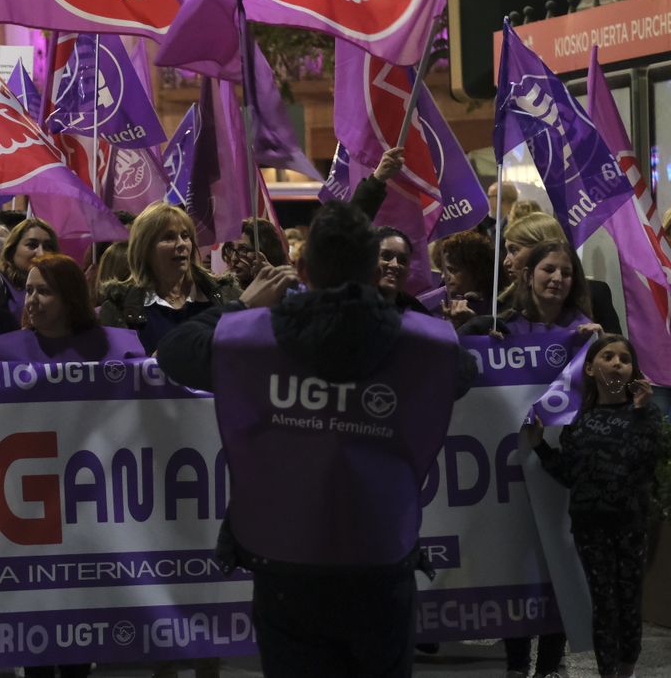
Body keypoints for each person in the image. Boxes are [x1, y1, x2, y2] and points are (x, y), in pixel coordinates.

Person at [156, 201, 477, 678]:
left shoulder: (251, 336)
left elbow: (175, 352)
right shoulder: (426, 345)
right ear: (375, 270)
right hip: (380, 556)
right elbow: (464, 372)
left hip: (285, 559)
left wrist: (244, 302)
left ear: (302, 267)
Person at [460, 239, 600, 678]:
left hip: (561, 472)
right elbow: (462, 356)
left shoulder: (586, 331)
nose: (558, 278)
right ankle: (517, 664)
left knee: (556, 560)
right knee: (517, 564)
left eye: (566, 272)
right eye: (549, 270)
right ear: (528, 275)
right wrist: (480, 331)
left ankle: (552, 664)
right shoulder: (504, 327)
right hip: (508, 472)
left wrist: (596, 350)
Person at [522, 335, 667, 678]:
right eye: (608, 356)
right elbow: (570, 474)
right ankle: (607, 673)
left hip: (630, 524)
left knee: (628, 602)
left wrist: (643, 412)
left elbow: (650, 460)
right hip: (590, 526)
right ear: (590, 367)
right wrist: (541, 447)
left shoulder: (645, 414)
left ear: (632, 370)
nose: (617, 363)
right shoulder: (578, 421)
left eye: (624, 359)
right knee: (603, 605)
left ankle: (627, 670)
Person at [100, 203, 289, 353]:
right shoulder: (119, 306)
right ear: (144, 249)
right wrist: (153, 364)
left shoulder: (226, 294)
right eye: (168, 237)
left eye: (185, 236)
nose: (181, 244)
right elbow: (116, 375)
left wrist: (274, 291)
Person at [0, 253, 145, 362]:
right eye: (28, 290)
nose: (31, 300)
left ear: (70, 298)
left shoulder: (121, 349)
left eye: (43, 291)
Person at [0, 166, 60, 334]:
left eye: (48, 246)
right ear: (11, 250)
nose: (41, 253)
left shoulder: (63, 287)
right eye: (32, 245)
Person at [499, 212, 621, 334]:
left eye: (514, 250)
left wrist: (602, 341)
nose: (506, 262)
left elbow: (619, 348)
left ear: (540, 248)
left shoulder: (595, 295)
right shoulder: (504, 304)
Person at [437, 230, 495, 327]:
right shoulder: (439, 302)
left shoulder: (496, 307)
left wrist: (473, 322)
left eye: (452, 270)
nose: (444, 277)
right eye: (443, 270)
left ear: (475, 271)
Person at [373, 227, 431, 315]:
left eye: (402, 260)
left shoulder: (419, 313)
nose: (394, 264)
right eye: (386, 256)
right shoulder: (349, 305)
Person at [222, 217, 288, 290]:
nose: (233, 258)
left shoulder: (287, 289)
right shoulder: (224, 290)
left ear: (266, 251)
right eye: (231, 249)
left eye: (243, 249)